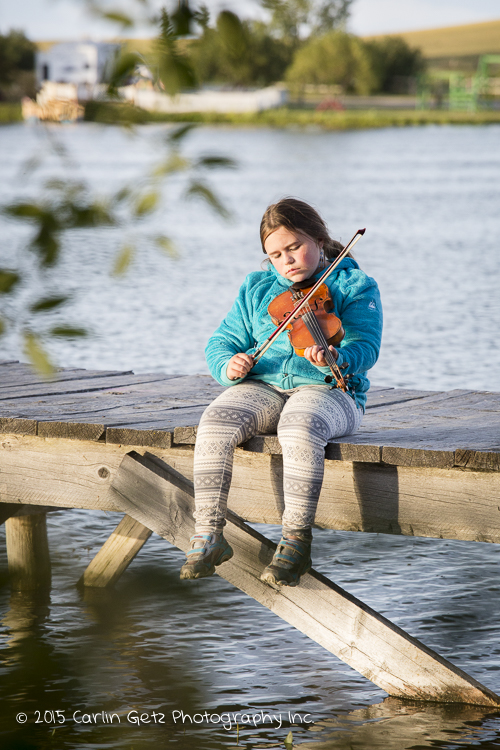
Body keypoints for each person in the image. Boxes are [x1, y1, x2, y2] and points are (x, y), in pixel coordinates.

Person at [180, 197, 382, 586]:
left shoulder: (354, 285)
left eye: (294, 247)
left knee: (298, 425)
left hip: (332, 390)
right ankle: (208, 534)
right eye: (275, 254)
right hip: (265, 385)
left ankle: (295, 540)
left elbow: (366, 347)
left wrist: (337, 355)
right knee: (215, 421)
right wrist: (229, 365)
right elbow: (221, 341)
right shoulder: (257, 288)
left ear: (319, 241)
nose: (287, 260)